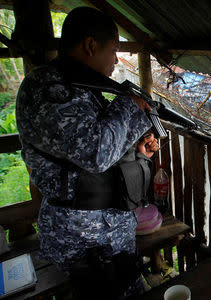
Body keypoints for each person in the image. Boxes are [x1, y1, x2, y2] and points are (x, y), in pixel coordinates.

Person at [16, 7, 158, 299]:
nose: (116, 60)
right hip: (80, 238)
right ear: (91, 45)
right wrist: (127, 103)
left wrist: (135, 144)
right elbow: (95, 153)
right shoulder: (49, 89)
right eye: (114, 50)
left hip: (112, 231)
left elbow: (99, 140)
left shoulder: (80, 87)